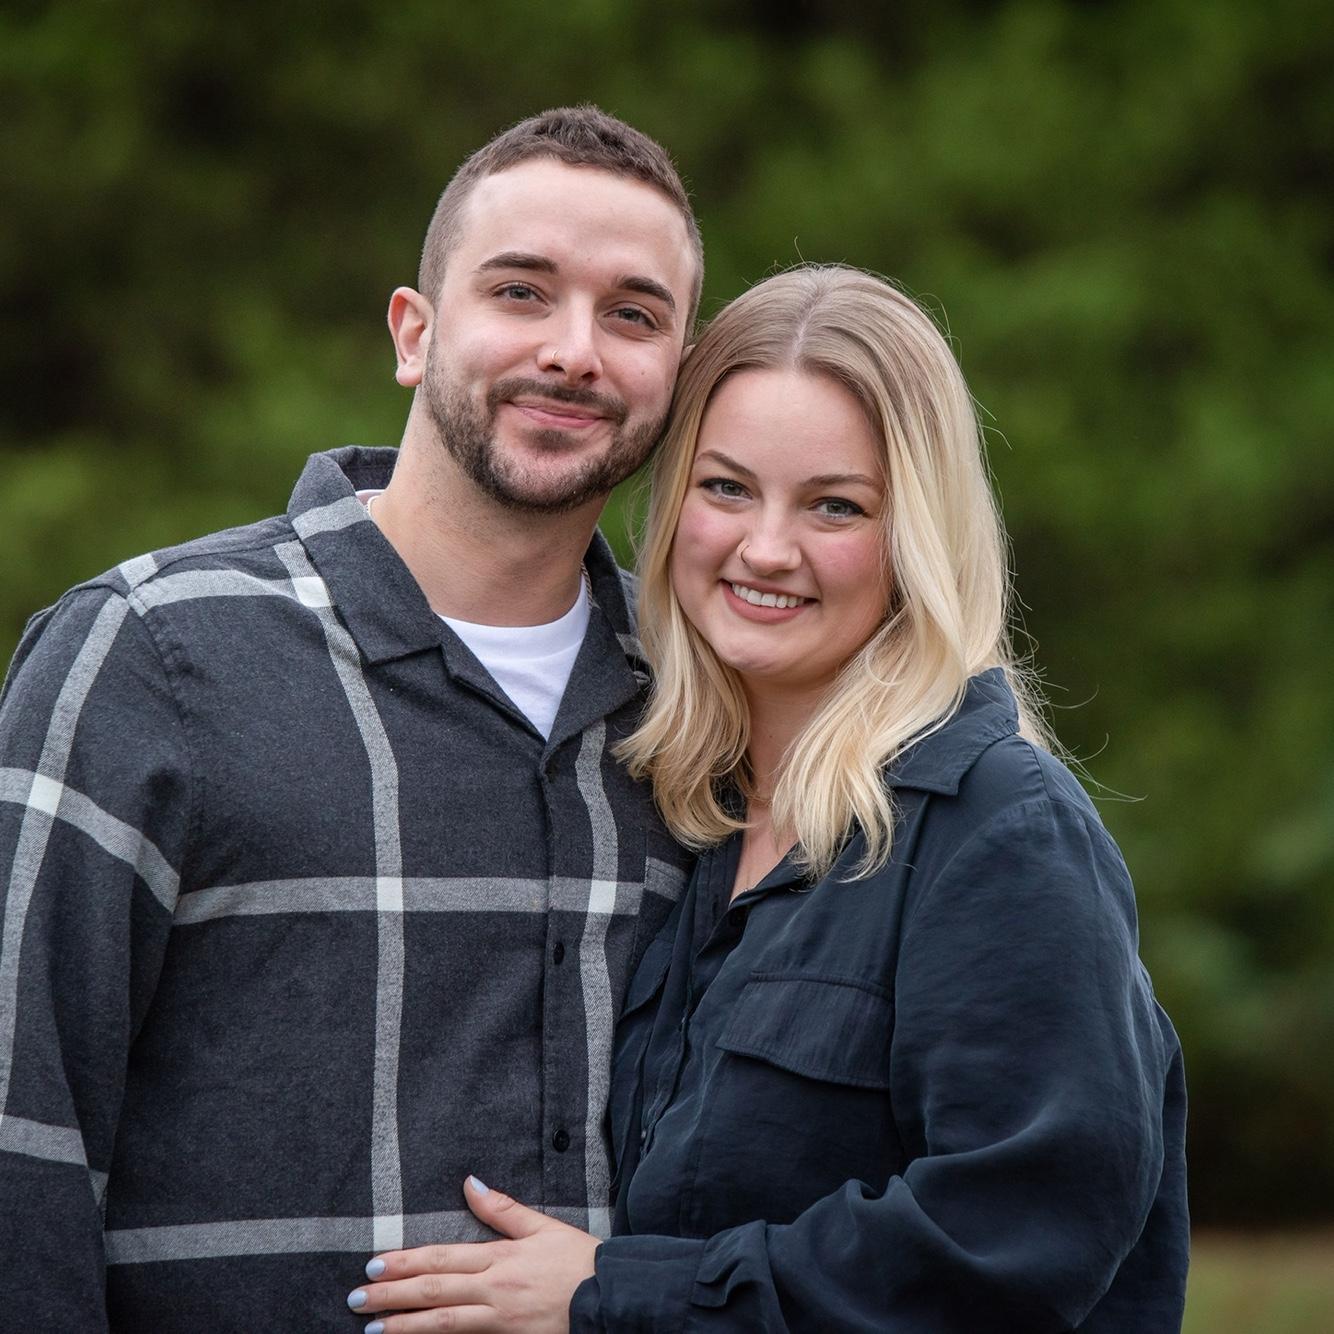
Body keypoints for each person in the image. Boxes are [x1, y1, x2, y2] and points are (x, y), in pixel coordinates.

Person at [345, 265, 1189, 1331]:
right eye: (726, 488)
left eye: (835, 505)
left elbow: (1013, 1240)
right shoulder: (684, 819)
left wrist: (615, 1295)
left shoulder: (997, 827)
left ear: (916, 536)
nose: (766, 548)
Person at [0, 106, 701, 1330]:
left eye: (632, 315)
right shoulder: (150, 654)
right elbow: (20, 1130)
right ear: (413, 333)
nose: (574, 351)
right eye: (521, 292)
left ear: (679, 375)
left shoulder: (702, 700)